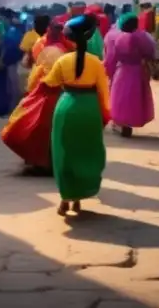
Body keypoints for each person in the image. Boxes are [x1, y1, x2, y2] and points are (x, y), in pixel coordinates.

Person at [42, 14, 111, 216]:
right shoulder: (96, 63)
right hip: (89, 109)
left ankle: (66, 198)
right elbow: (103, 92)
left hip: (66, 107)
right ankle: (79, 197)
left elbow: (50, 83)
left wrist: (41, 72)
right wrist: (105, 114)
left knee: (64, 154)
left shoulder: (62, 61)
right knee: (87, 153)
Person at [2, 22, 68, 173]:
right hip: (61, 92)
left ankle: (38, 161)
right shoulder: (66, 49)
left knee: (34, 125)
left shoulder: (42, 47)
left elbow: (30, 66)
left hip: (43, 90)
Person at [104, 12, 156, 137]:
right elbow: (150, 52)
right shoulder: (142, 36)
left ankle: (122, 124)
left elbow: (112, 57)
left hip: (122, 71)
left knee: (120, 98)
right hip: (138, 71)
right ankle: (132, 121)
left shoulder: (118, 38)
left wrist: (109, 71)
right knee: (136, 98)